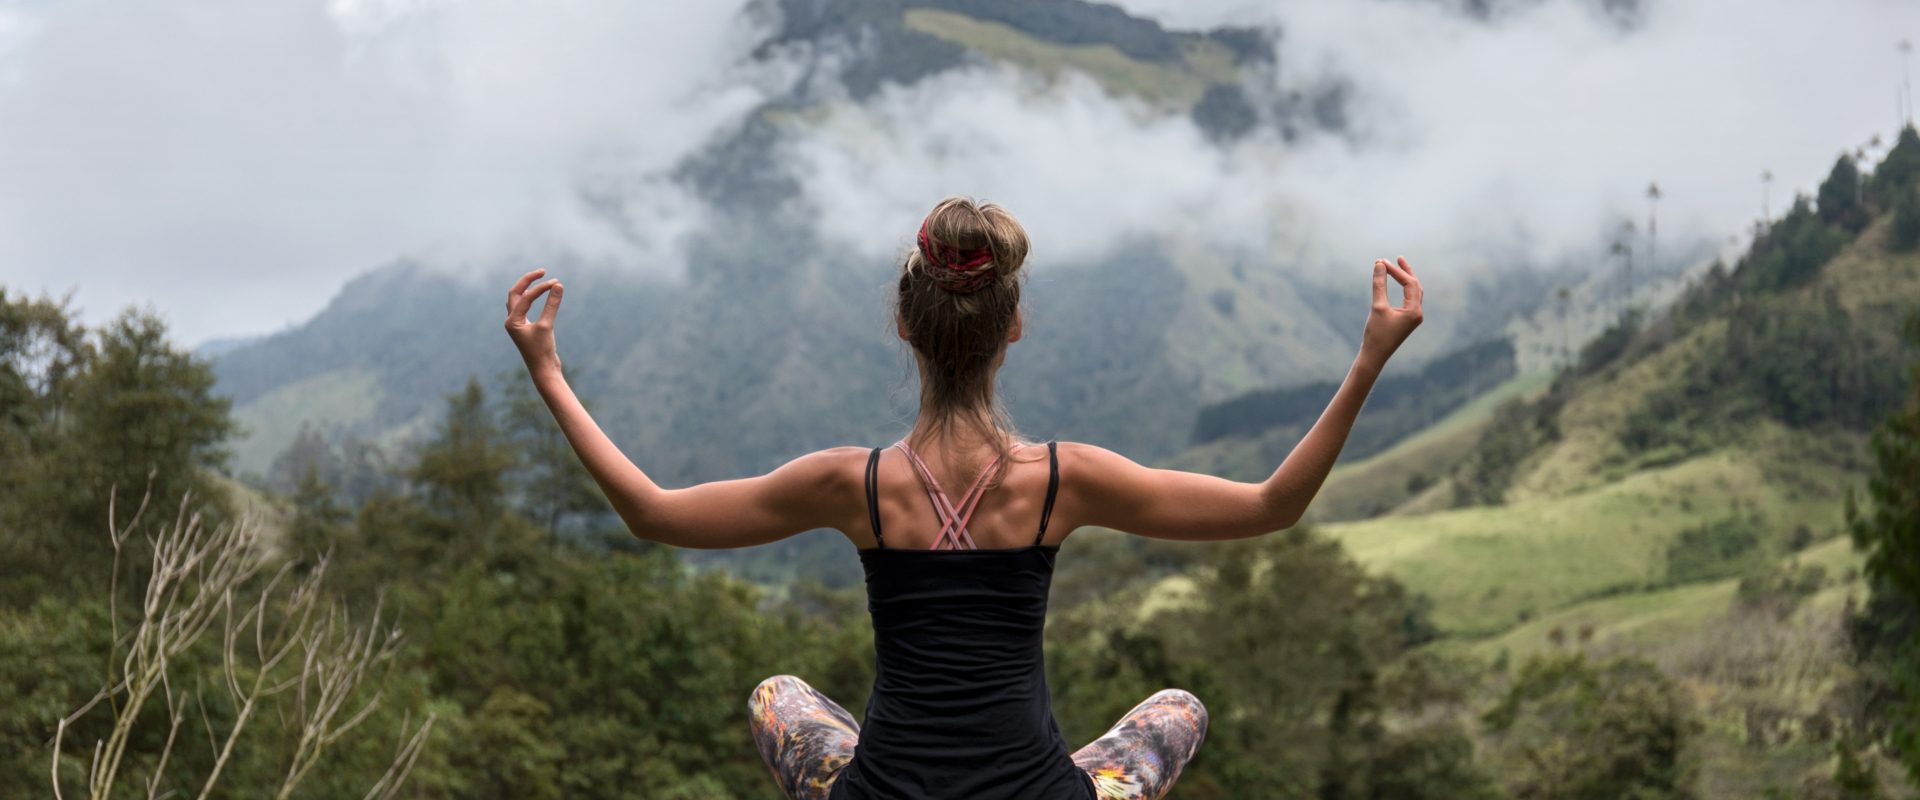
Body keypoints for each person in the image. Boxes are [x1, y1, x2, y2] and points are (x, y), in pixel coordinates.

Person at [502, 196, 1425, 800]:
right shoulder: (1064, 480)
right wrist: (1371, 358)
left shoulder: (851, 484)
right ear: (1013, 328)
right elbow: (1271, 505)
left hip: (884, 794)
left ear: (905, 326)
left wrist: (549, 372)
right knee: (1177, 709)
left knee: (778, 693)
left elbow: (654, 514)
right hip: (1035, 794)